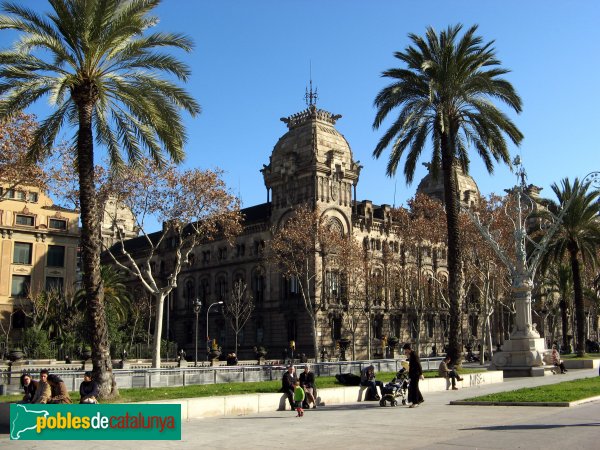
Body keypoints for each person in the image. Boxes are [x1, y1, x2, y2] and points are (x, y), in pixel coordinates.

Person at [403, 343, 424, 408]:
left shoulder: (414, 355)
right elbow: (411, 365)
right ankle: (420, 399)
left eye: (406, 350)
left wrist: (421, 374)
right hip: (412, 373)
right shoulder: (411, 355)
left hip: (415, 374)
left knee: (414, 388)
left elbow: (418, 365)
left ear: (408, 349)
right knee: (414, 387)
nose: (405, 351)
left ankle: (415, 402)